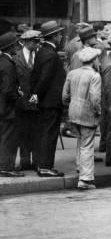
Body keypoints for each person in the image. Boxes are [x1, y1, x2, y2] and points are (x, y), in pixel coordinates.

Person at [30, 20, 67, 177]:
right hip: (51, 102)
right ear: (54, 36)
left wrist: (36, 95)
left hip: (46, 101)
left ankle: (42, 165)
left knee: (45, 133)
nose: (60, 37)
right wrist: (36, 94)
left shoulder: (42, 51)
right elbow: (44, 78)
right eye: (59, 34)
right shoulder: (50, 54)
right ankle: (45, 167)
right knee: (49, 134)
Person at [62, 47, 102, 190]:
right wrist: (98, 111)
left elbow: (65, 96)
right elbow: (95, 98)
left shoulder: (72, 73)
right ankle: (85, 179)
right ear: (93, 60)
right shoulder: (95, 76)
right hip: (87, 113)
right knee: (87, 145)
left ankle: (80, 167)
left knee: (81, 140)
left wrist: (72, 105)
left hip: (73, 112)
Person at [13, 29, 42, 171]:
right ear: (25, 42)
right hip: (21, 101)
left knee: (37, 131)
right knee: (23, 131)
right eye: (34, 42)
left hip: (37, 100)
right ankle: (24, 160)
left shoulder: (40, 56)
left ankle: (37, 161)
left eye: (38, 41)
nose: (37, 44)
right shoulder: (15, 57)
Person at [0, 32, 25, 177]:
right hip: (8, 109)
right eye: (16, 44)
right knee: (9, 139)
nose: (18, 46)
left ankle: (4, 166)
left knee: (3, 138)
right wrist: (18, 97)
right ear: (11, 47)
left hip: (2, 107)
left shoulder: (2, 62)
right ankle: (6, 167)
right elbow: (8, 90)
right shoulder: (8, 65)